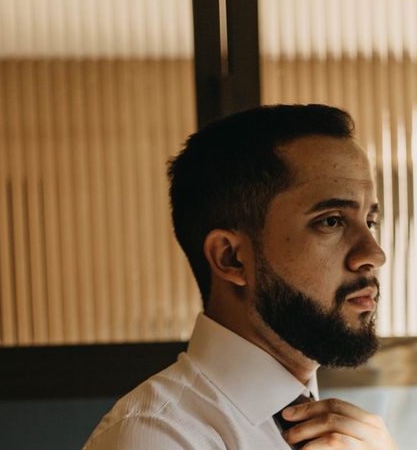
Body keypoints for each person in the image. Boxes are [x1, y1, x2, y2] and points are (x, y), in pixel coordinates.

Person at [84, 104, 397, 449]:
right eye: (331, 221)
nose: (373, 254)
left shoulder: (339, 433)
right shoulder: (155, 436)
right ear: (231, 258)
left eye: (370, 221)